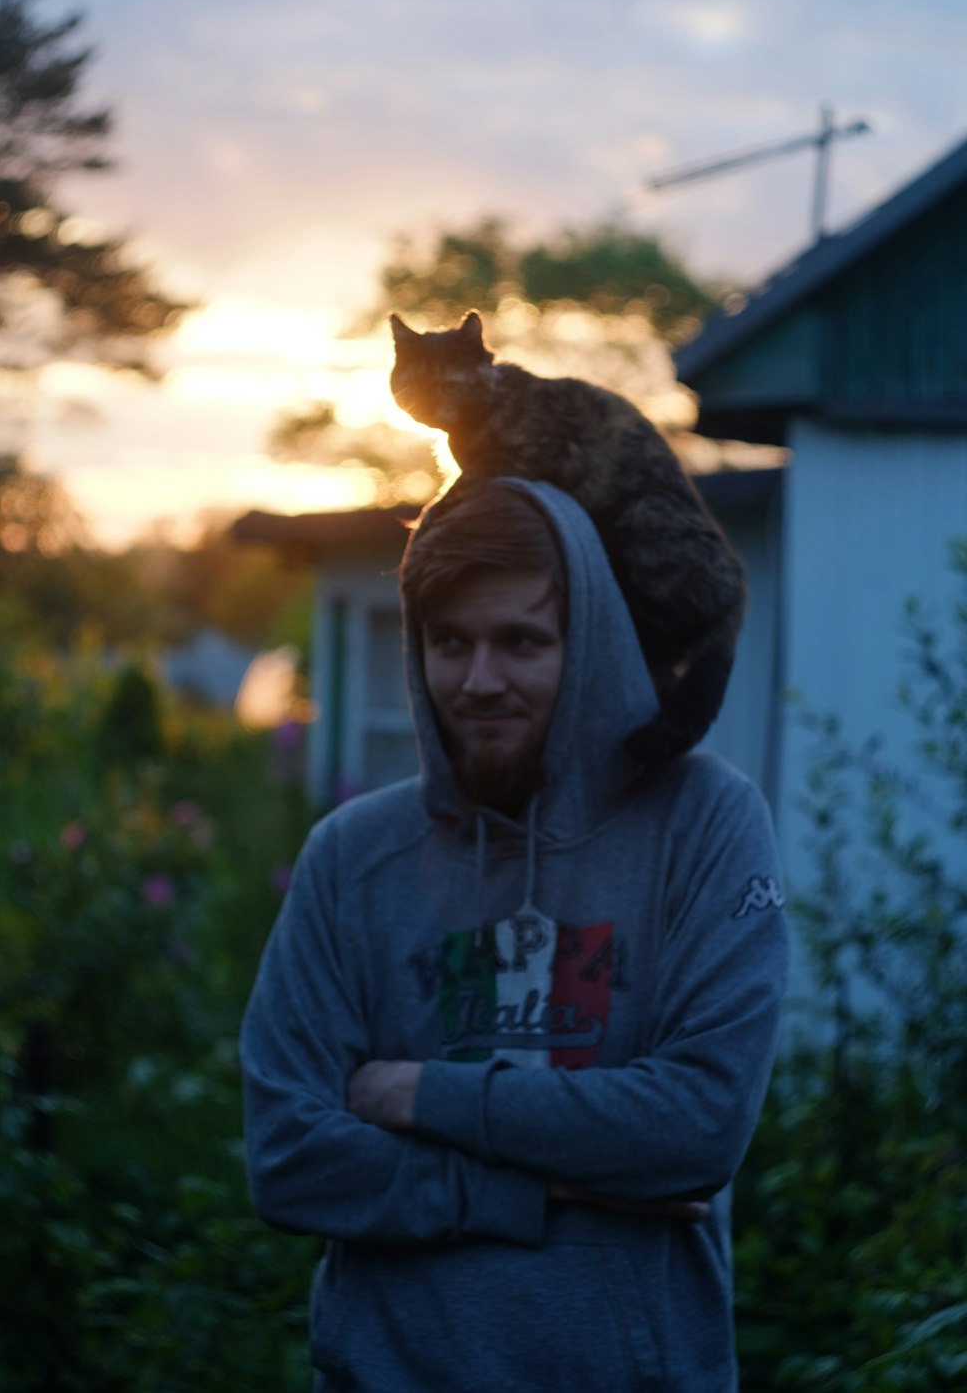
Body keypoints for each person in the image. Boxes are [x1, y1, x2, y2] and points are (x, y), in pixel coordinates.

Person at [240, 477, 788, 1392]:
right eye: (449, 642)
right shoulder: (352, 858)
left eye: (521, 642)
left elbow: (698, 1124)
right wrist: (536, 1188)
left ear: (592, 646)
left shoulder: (703, 823)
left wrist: (420, 1094)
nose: (477, 681)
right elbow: (291, 1158)